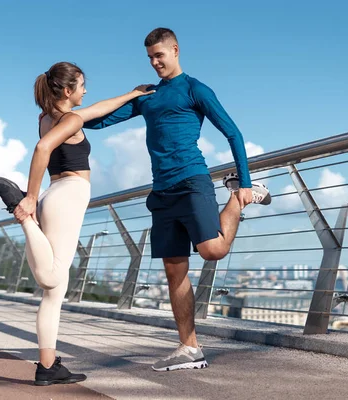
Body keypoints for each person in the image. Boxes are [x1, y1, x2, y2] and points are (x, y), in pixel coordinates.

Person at [83, 28, 271, 372]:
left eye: (160, 55)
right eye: (150, 58)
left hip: (192, 181)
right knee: (174, 271)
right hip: (162, 191)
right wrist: (66, 114)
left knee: (212, 250)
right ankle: (190, 347)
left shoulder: (194, 88)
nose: (155, 63)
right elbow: (99, 123)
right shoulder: (148, 95)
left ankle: (237, 198)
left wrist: (244, 182)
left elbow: (233, 132)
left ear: (175, 50)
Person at [0, 61, 153, 385]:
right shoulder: (71, 119)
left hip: (55, 195)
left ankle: (47, 366)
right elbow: (43, 148)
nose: (85, 91)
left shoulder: (47, 118)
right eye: (81, 85)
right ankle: (19, 210)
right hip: (68, 194)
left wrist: (132, 94)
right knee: (52, 278)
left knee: (54, 291)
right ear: (67, 90)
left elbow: (99, 108)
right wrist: (29, 200)